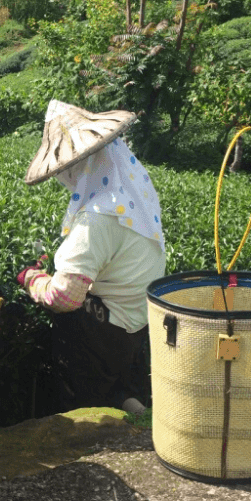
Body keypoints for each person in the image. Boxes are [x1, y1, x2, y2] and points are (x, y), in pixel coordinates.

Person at [16, 100, 166, 415]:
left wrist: (32, 279)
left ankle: (86, 421)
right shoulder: (128, 200)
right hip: (138, 322)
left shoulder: (97, 216)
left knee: (82, 389)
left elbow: (64, 296)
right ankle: (130, 405)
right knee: (115, 388)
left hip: (106, 331)